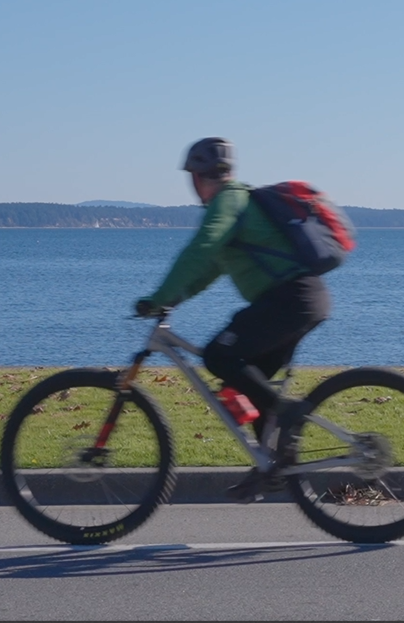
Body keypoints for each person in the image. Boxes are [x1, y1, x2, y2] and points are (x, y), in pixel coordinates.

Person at [134, 137, 332, 499]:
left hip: (291, 300)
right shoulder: (238, 202)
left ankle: (289, 414)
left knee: (219, 356)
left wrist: (157, 296)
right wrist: (172, 299)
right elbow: (207, 268)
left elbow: (202, 246)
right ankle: (271, 465)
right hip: (301, 299)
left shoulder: (228, 200)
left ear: (197, 177)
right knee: (249, 385)